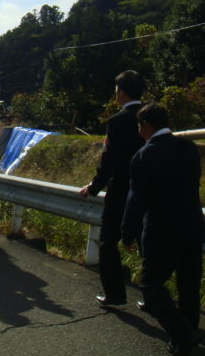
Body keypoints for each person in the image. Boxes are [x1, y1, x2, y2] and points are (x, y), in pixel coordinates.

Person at [122, 103, 205, 356]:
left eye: (139, 126)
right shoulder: (188, 148)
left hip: (161, 231)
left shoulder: (144, 155)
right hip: (192, 226)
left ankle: (183, 335)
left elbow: (137, 200)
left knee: (151, 285)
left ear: (146, 126)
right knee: (189, 285)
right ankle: (186, 335)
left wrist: (127, 232)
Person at [79, 70, 145, 305]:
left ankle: (115, 294)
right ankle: (151, 296)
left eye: (117, 90)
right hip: (150, 191)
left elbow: (109, 162)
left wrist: (93, 187)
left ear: (121, 92)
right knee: (146, 242)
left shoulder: (117, 122)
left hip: (121, 191)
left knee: (109, 241)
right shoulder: (153, 115)